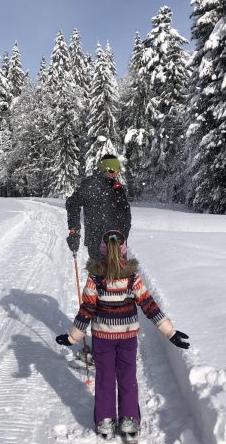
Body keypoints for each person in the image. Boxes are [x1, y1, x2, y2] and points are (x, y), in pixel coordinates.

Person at [56, 230, 190, 441]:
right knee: (127, 378)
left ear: (102, 251)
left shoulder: (95, 278)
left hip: (102, 338)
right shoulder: (132, 277)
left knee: (105, 379)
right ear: (124, 250)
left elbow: (87, 309)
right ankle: (128, 419)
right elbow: (148, 304)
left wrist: (72, 337)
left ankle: (105, 421)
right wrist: (170, 332)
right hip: (127, 337)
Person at [66, 154, 131, 260]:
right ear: (103, 170)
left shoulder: (118, 187)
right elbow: (72, 203)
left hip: (118, 241)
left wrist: (124, 233)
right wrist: (74, 230)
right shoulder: (89, 184)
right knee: (99, 273)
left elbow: (125, 213)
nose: (115, 174)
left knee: (121, 274)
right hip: (96, 240)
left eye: (117, 171)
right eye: (112, 171)